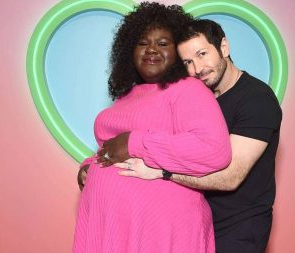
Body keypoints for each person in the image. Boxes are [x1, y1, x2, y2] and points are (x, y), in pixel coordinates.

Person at [113, 19, 283, 253]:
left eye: (202, 54)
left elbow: (230, 176)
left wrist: (162, 173)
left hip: (240, 229)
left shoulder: (257, 99)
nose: (197, 68)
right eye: (188, 62)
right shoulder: (197, 99)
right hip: (197, 223)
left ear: (224, 47)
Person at [73, 3, 231, 253]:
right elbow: (115, 147)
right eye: (143, 43)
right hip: (110, 225)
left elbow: (214, 150)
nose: (152, 50)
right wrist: (90, 165)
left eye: (163, 43)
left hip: (160, 230)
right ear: (129, 50)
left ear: (178, 51)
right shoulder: (128, 96)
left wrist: (135, 143)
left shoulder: (189, 90)